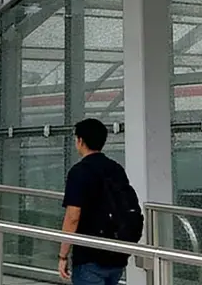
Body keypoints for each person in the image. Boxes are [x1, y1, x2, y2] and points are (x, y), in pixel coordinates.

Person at [58, 118, 140, 285]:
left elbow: (73, 216)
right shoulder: (115, 168)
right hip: (116, 253)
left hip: (89, 256)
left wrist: (63, 255)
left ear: (80, 141)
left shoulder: (79, 172)